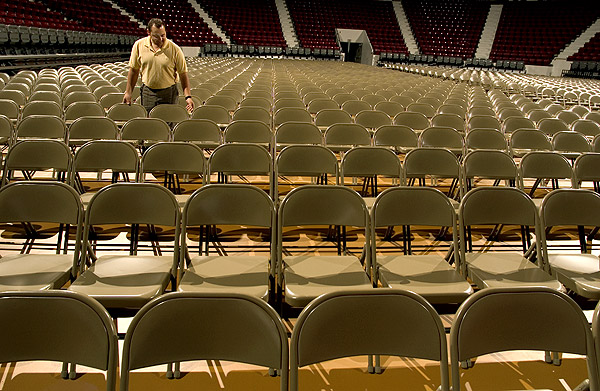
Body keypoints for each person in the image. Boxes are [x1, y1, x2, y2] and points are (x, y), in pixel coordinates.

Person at [123, 18, 194, 113]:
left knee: (168, 123)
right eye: (156, 36)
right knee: (150, 122)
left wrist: (188, 96)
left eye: (163, 35)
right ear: (148, 32)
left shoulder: (175, 49)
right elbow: (134, 71)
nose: (161, 39)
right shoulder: (138, 45)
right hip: (148, 91)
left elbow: (183, 75)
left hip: (169, 92)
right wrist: (128, 92)